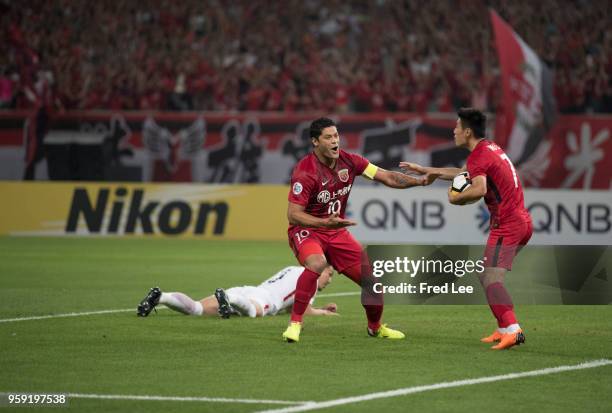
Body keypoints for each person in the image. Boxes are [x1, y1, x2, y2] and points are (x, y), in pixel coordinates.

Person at [282, 117, 437, 343]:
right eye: (328, 137)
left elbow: (388, 177)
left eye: (336, 136)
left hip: (336, 232)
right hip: (307, 230)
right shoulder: (305, 171)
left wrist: (420, 182)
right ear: (315, 142)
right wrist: (324, 223)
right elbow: (293, 214)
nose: (335, 141)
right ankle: (295, 324)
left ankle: (375, 328)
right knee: (317, 264)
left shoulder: (351, 161)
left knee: (372, 283)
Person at [400, 107, 533, 350]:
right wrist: (430, 171)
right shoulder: (489, 148)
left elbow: (479, 188)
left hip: (507, 223)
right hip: (521, 220)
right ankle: (503, 327)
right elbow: (465, 174)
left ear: (468, 131)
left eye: (457, 127)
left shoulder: (479, 155)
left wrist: (455, 198)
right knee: (485, 274)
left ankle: (513, 330)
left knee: (492, 277)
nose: (454, 131)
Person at [137, 265, 338, 318]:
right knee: (253, 313)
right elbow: (303, 312)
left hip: (249, 289)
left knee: (197, 308)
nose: (329, 280)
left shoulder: (294, 269)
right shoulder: (309, 279)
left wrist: (320, 307)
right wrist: (325, 313)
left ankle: (160, 297)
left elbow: (292, 307)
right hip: (263, 299)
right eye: (329, 274)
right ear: (321, 269)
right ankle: (228, 299)